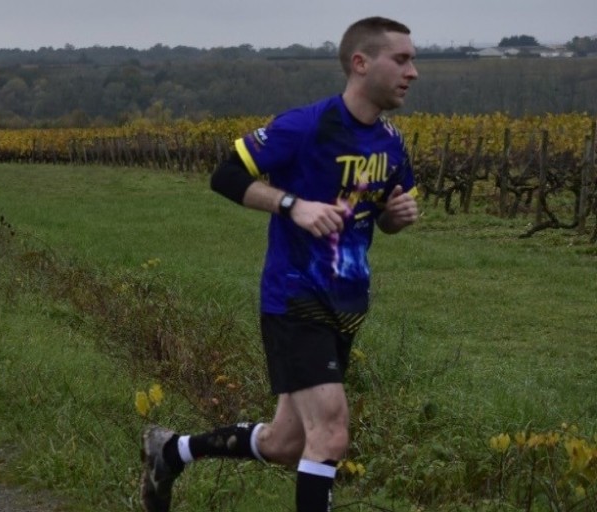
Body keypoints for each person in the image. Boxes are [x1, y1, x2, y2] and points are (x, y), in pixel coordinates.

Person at [140, 16, 419, 512]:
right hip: (295, 297)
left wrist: (396, 217)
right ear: (360, 63)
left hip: (347, 305)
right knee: (331, 434)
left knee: (286, 443)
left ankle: (171, 451)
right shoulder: (306, 125)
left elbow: (381, 218)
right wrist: (293, 205)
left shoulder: (391, 143)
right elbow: (224, 175)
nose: (413, 71)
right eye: (401, 59)